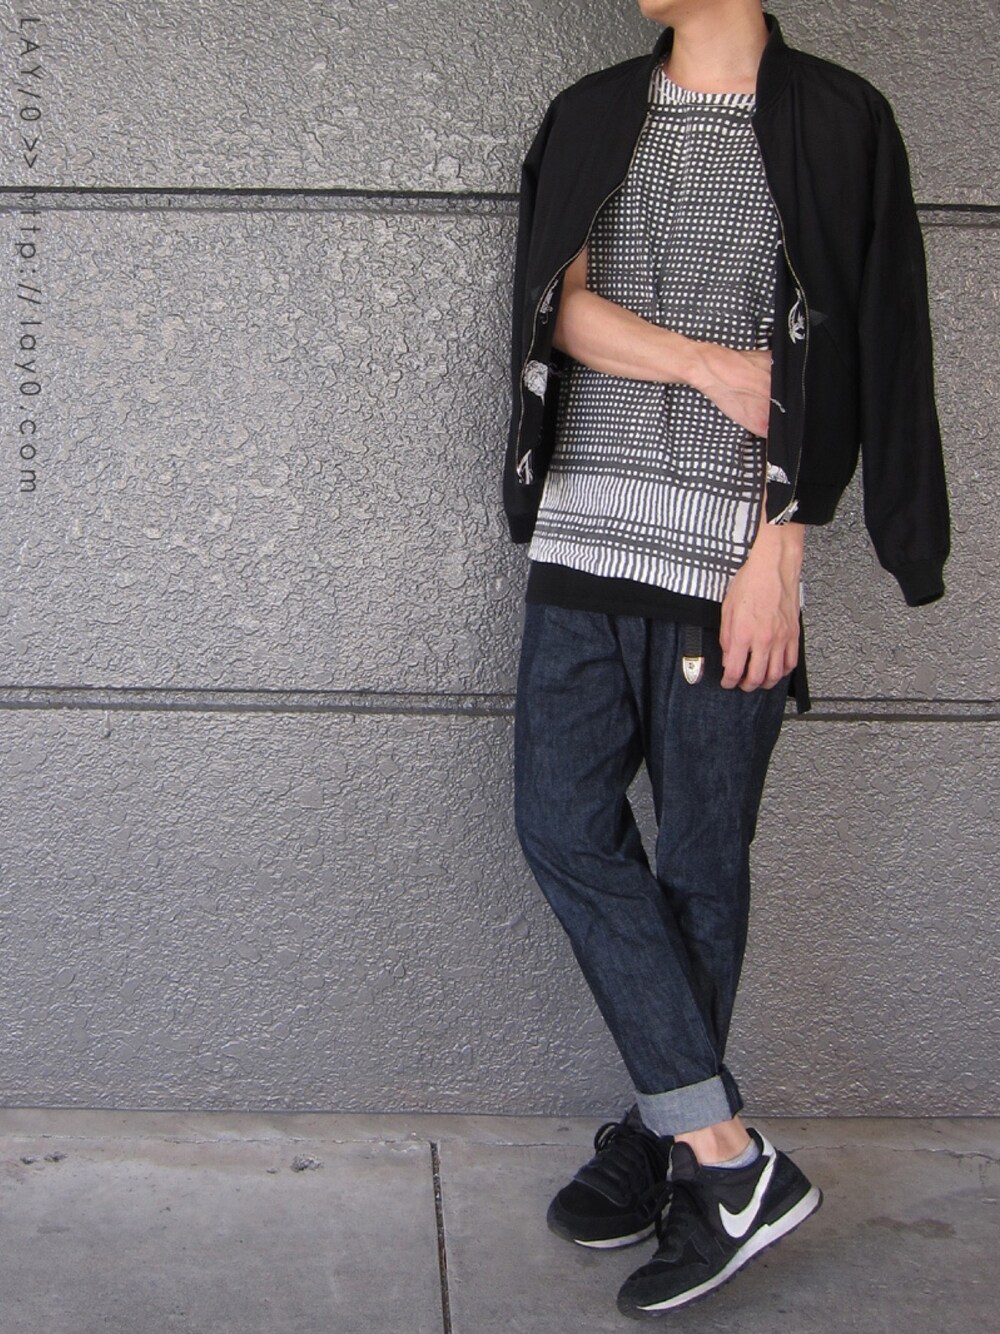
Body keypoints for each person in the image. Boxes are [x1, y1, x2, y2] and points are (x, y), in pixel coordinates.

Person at [503, 0, 949, 1317]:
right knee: (559, 825)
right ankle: (722, 1150)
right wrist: (709, 365)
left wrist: (783, 547)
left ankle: (672, 1136)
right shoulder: (594, 115)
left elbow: (862, 349)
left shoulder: (836, 122)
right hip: (584, 537)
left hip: (730, 561)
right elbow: (560, 312)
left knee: (699, 861)